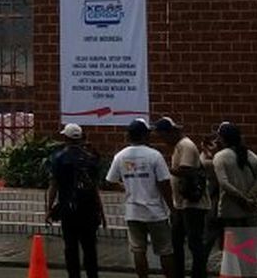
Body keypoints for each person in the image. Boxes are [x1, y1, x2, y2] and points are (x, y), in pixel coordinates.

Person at [105, 118, 176, 278]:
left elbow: (110, 181)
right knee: (165, 250)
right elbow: (164, 183)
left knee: (138, 250)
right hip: (155, 212)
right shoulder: (155, 156)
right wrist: (172, 208)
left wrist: (128, 188)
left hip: (133, 212)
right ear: (145, 135)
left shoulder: (120, 156)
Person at [46, 123, 104, 278]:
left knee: (71, 247)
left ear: (65, 137)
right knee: (90, 247)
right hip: (89, 209)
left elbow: (53, 186)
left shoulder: (58, 158)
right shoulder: (90, 158)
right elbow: (95, 188)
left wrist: (49, 208)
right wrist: (101, 211)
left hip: (68, 209)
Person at [155, 117, 209, 278]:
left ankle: (198, 274)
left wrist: (164, 169)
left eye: (163, 136)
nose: (163, 140)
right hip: (181, 204)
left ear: (171, 132)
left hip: (192, 204)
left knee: (194, 243)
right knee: (176, 242)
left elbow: (186, 170)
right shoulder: (179, 145)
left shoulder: (186, 145)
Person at [211, 122, 257, 275]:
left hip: (230, 211)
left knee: (232, 251)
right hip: (250, 212)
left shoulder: (220, 157)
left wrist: (243, 199)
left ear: (222, 138)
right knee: (249, 250)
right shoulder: (251, 155)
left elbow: (224, 183)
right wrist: (250, 198)